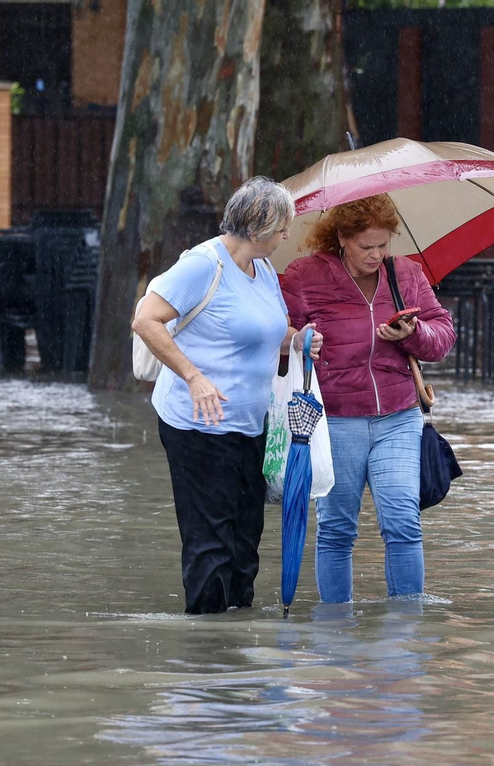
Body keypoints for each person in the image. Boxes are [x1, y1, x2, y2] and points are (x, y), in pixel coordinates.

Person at [133, 176, 322, 614]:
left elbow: (266, 333)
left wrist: (298, 340)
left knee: (244, 542)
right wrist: (193, 376)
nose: (286, 236)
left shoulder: (264, 270)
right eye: (282, 229)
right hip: (198, 425)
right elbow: (146, 320)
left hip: (250, 425)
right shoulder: (203, 264)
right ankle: (206, 656)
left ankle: (236, 647)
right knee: (210, 543)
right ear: (257, 228)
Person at [280, 193, 455, 603]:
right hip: (335, 418)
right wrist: (300, 341)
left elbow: (443, 337)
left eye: (383, 244)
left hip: (399, 415)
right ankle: (336, 631)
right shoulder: (304, 275)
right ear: (341, 236)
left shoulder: (406, 274)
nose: (377, 254)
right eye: (366, 246)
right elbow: (275, 338)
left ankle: (406, 629)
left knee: (403, 522)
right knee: (337, 530)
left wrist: (413, 334)